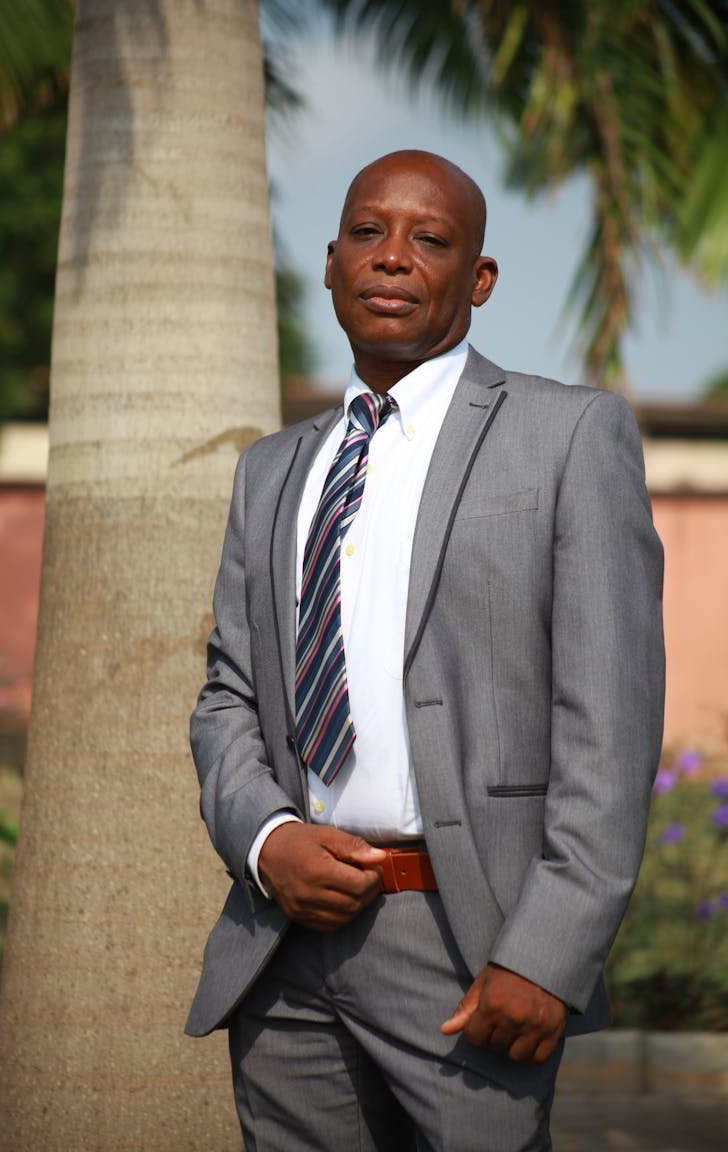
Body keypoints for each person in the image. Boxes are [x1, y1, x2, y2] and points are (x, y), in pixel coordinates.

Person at [187, 150, 665, 1151]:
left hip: (469, 947)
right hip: (284, 944)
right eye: (368, 233)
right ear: (330, 264)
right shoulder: (272, 472)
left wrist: (549, 951)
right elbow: (228, 693)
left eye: (430, 239)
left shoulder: (569, 436)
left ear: (478, 279)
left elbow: (609, 720)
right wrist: (269, 841)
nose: (393, 258)